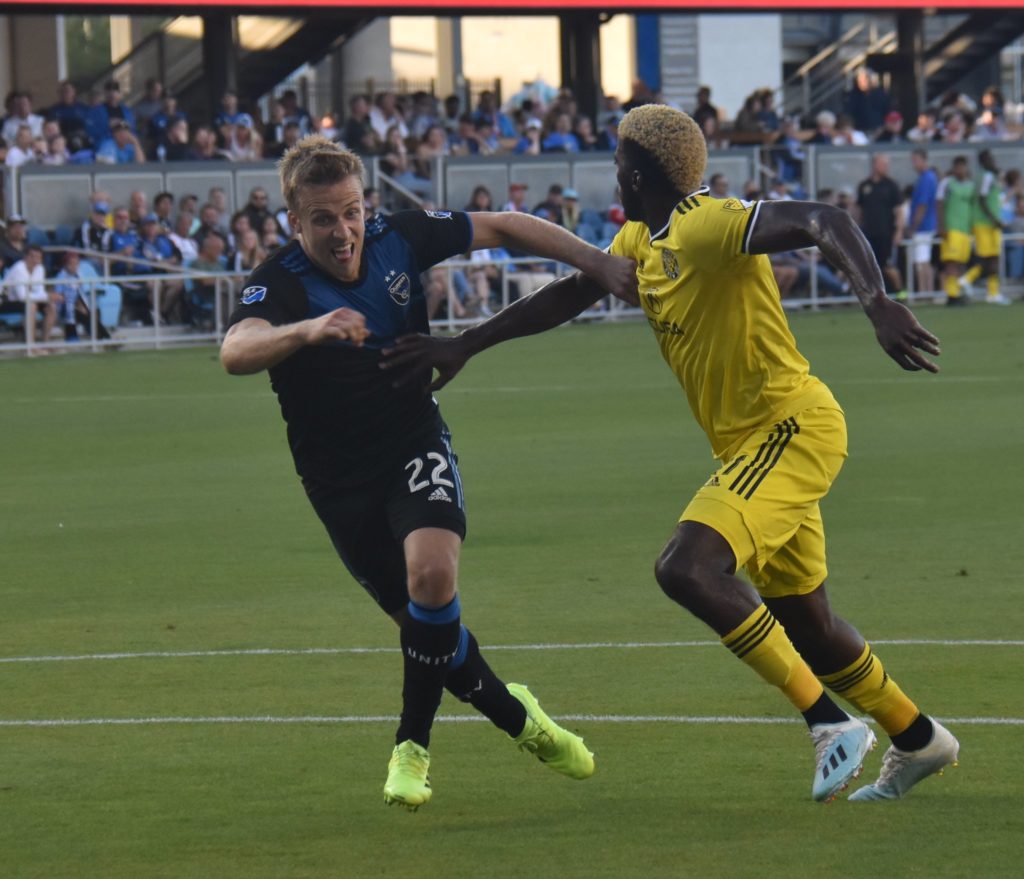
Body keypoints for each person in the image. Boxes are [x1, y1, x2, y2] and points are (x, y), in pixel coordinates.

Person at [383, 105, 960, 805]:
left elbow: (823, 220)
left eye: (617, 166)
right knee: (812, 625)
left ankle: (829, 722)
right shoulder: (639, 239)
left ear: (633, 172)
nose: (613, 176)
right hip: (752, 445)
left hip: (791, 428)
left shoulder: (706, 224)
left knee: (685, 566)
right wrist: (464, 344)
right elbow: (571, 293)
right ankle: (917, 734)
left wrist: (878, 301)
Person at [219, 134, 635, 811]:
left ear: (366, 206)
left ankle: (411, 746)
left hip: (414, 441)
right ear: (295, 223)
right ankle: (520, 717)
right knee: (429, 631)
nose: (343, 229)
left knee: (434, 576)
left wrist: (599, 261)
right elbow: (235, 349)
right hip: (337, 484)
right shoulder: (282, 282)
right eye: (322, 218)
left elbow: (501, 225)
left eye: (351, 211)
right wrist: (307, 329)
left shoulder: (399, 239)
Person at [959, 149, 1011, 305]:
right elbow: (982, 200)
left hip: (989, 224)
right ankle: (966, 280)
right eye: (989, 159)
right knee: (987, 258)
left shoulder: (987, 176)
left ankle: (993, 293)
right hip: (985, 223)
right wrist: (995, 219)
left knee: (993, 257)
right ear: (983, 161)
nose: (993, 161)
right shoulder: (987, 176)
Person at [854, 153, 904, 298]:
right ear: (875, 165)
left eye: (887, 165)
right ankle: (874, 296)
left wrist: (899, 230)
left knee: (887, 265)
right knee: (869, 266)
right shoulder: (864, 186)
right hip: (868, 233)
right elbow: (859, 210)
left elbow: (899, 209)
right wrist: (855, 228)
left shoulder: (891, 185)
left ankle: (900, 292)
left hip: (886, 232)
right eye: (883, 164)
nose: (885, 167)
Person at [1, 244, 58, 352]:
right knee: (31, 306)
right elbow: (21, 296)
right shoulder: (19, 269)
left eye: (38, 257)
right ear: (25, 257)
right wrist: (47, 296)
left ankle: (45, 343)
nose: (35, 259)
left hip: (27, 300)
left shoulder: (40, 268)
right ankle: (31, 345)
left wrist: (48, 298)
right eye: (32, 256)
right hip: (7, 301)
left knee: (51, 306)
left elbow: (39, 290)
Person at [936, 155, 975, 306]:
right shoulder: (947, 183)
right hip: (951, 228)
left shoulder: (970, 186)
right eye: (957, 167)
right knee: (950, 262)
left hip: (965, 229)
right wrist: (941, 225)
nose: (960, 170)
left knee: (960, 263)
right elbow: (939, 203)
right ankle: (951, 294)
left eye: (962, 167)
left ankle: (958, 292)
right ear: (954, 168)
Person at [906, 148, 939, 297]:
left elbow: (922, 204)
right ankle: (927, 290)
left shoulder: (926, 178)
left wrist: (914, 225)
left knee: (921, 261)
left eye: (915, 160)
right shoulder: (927, 178)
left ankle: (924, 292)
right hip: (926, 224)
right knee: (924, 259)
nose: (913, 164)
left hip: (923, 226)